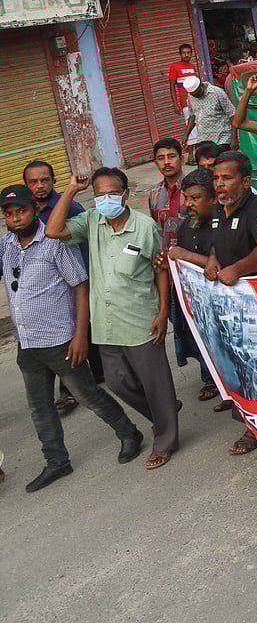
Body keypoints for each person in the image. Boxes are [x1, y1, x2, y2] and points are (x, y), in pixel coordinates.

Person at [1, 185, 143, 492]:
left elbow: (80, 285)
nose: (15, 218)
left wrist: (81, 336)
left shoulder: (53, 243)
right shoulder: (6, 244)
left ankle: (129, 433)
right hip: (28, 343)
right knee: (39, 407)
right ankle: (56, 462)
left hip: (61, 340)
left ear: (35, 211)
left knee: (88, 395)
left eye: (21, 211)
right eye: (9, 214)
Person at [45, 168, 178, 470]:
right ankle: (164, 412)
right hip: (105, 322)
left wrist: (161, 312)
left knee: (155, 383)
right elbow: (53, 231)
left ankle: (165, 439)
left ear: (126, 194)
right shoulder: (91, 221)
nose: (106, 199)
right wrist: (69, 191)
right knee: (117, 383)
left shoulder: (144, 227)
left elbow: (161, 269)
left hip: (140, 318)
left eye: (112, 193)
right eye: (100, 194)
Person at [206, 150, 257, 458]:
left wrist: (236, 269)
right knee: (240, 368)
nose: (220, 184)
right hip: (229, 309)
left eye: (227, 178)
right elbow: (216, 243)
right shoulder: (216, 209)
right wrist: (212, 260)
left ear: (246, 181)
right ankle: (254, 424)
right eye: (216, 178)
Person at [23, 159, 101, 411]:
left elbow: (87, 242)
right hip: (49, 283)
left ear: (54, 181)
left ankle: (73, 387)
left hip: (75, 277)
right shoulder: (26, 212)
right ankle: (78, 383)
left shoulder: (69, 206)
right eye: (33, 182)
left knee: (79, 329)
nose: (40, 186)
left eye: (45, 180)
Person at [161, 168, 219, 401]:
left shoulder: (222, 224)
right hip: (197, 301)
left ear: (213, 198)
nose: (188, 204)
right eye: (186, 198)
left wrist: (184, 255)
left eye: (195, 198)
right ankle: (211, 379)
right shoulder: (186, 226)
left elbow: (221, 266)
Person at [181, 75, 235, 149]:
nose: (196, 96)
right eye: (193, 94)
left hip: (222, 139)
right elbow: (192, 116)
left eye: (197, 93)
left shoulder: (217, 92)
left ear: (201, 85)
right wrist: (186, 135)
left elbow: (232, 114)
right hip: (203, 139)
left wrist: (234, 138)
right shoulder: (191, 97)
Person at [167, 43, 198, 110]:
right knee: (189, 120)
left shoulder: (192, 66)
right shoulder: (174, 66)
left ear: (191, 53)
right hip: (185, 102)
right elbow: (172, 86)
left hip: (197, 101)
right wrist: (175, 103)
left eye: (188, 52)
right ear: (180, 54)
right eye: (183, 53)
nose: (186, 55)